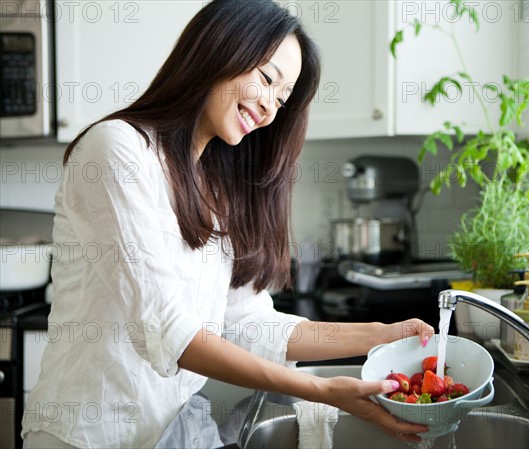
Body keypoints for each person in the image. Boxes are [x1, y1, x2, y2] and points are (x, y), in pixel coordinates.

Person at [22, 0, 434, 447]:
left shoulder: (212, 190)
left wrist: (379, 337)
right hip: (87, 436)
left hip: (169, 434)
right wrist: (321, 390)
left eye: (282, 98)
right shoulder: (118, 149)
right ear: (219, 48)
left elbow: (249, 324)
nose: (270, 108)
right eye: (267, 79)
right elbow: (170, 329)